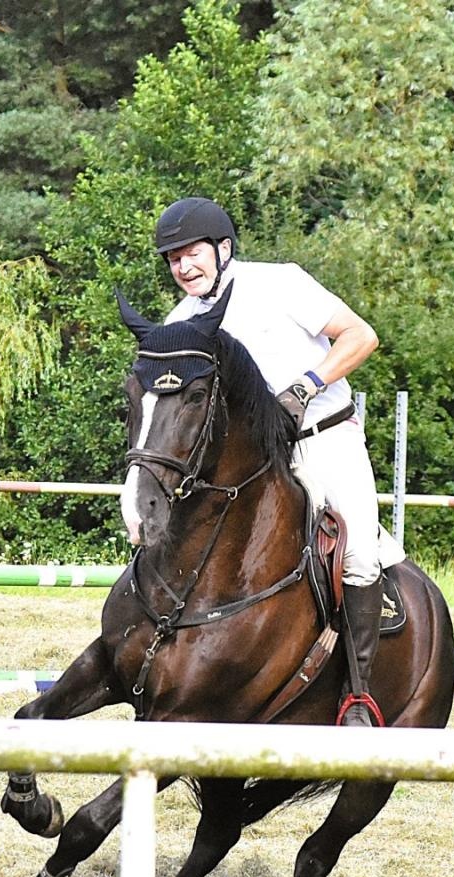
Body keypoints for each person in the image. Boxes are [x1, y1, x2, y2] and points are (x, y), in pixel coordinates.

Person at [154, 195, 385, 728]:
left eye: (192, 254)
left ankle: (357, 696)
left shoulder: (280, 283)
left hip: (323, 438)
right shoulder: (183, 319)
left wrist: (307, 386)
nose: (183, 267)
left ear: (223, 248)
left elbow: (361, 336)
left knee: (358, 557)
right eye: (173, 259)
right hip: (252, 464)